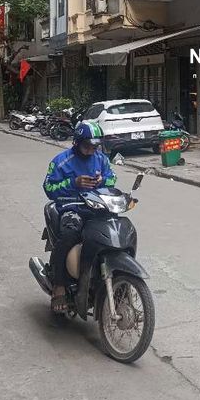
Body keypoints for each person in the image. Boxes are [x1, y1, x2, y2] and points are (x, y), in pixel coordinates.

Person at [43, 122, 117, 313]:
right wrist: (73, 183)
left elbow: (112, 179)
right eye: (87, 146)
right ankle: (59, 285)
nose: (91, 150)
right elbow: (49, 188)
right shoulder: (61, 161)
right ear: (76, 143)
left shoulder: (101, 159)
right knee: (69, 236)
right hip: (71, 207)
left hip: (97, 207)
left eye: (95, 146)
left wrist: (102, 181)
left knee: (114, 231)